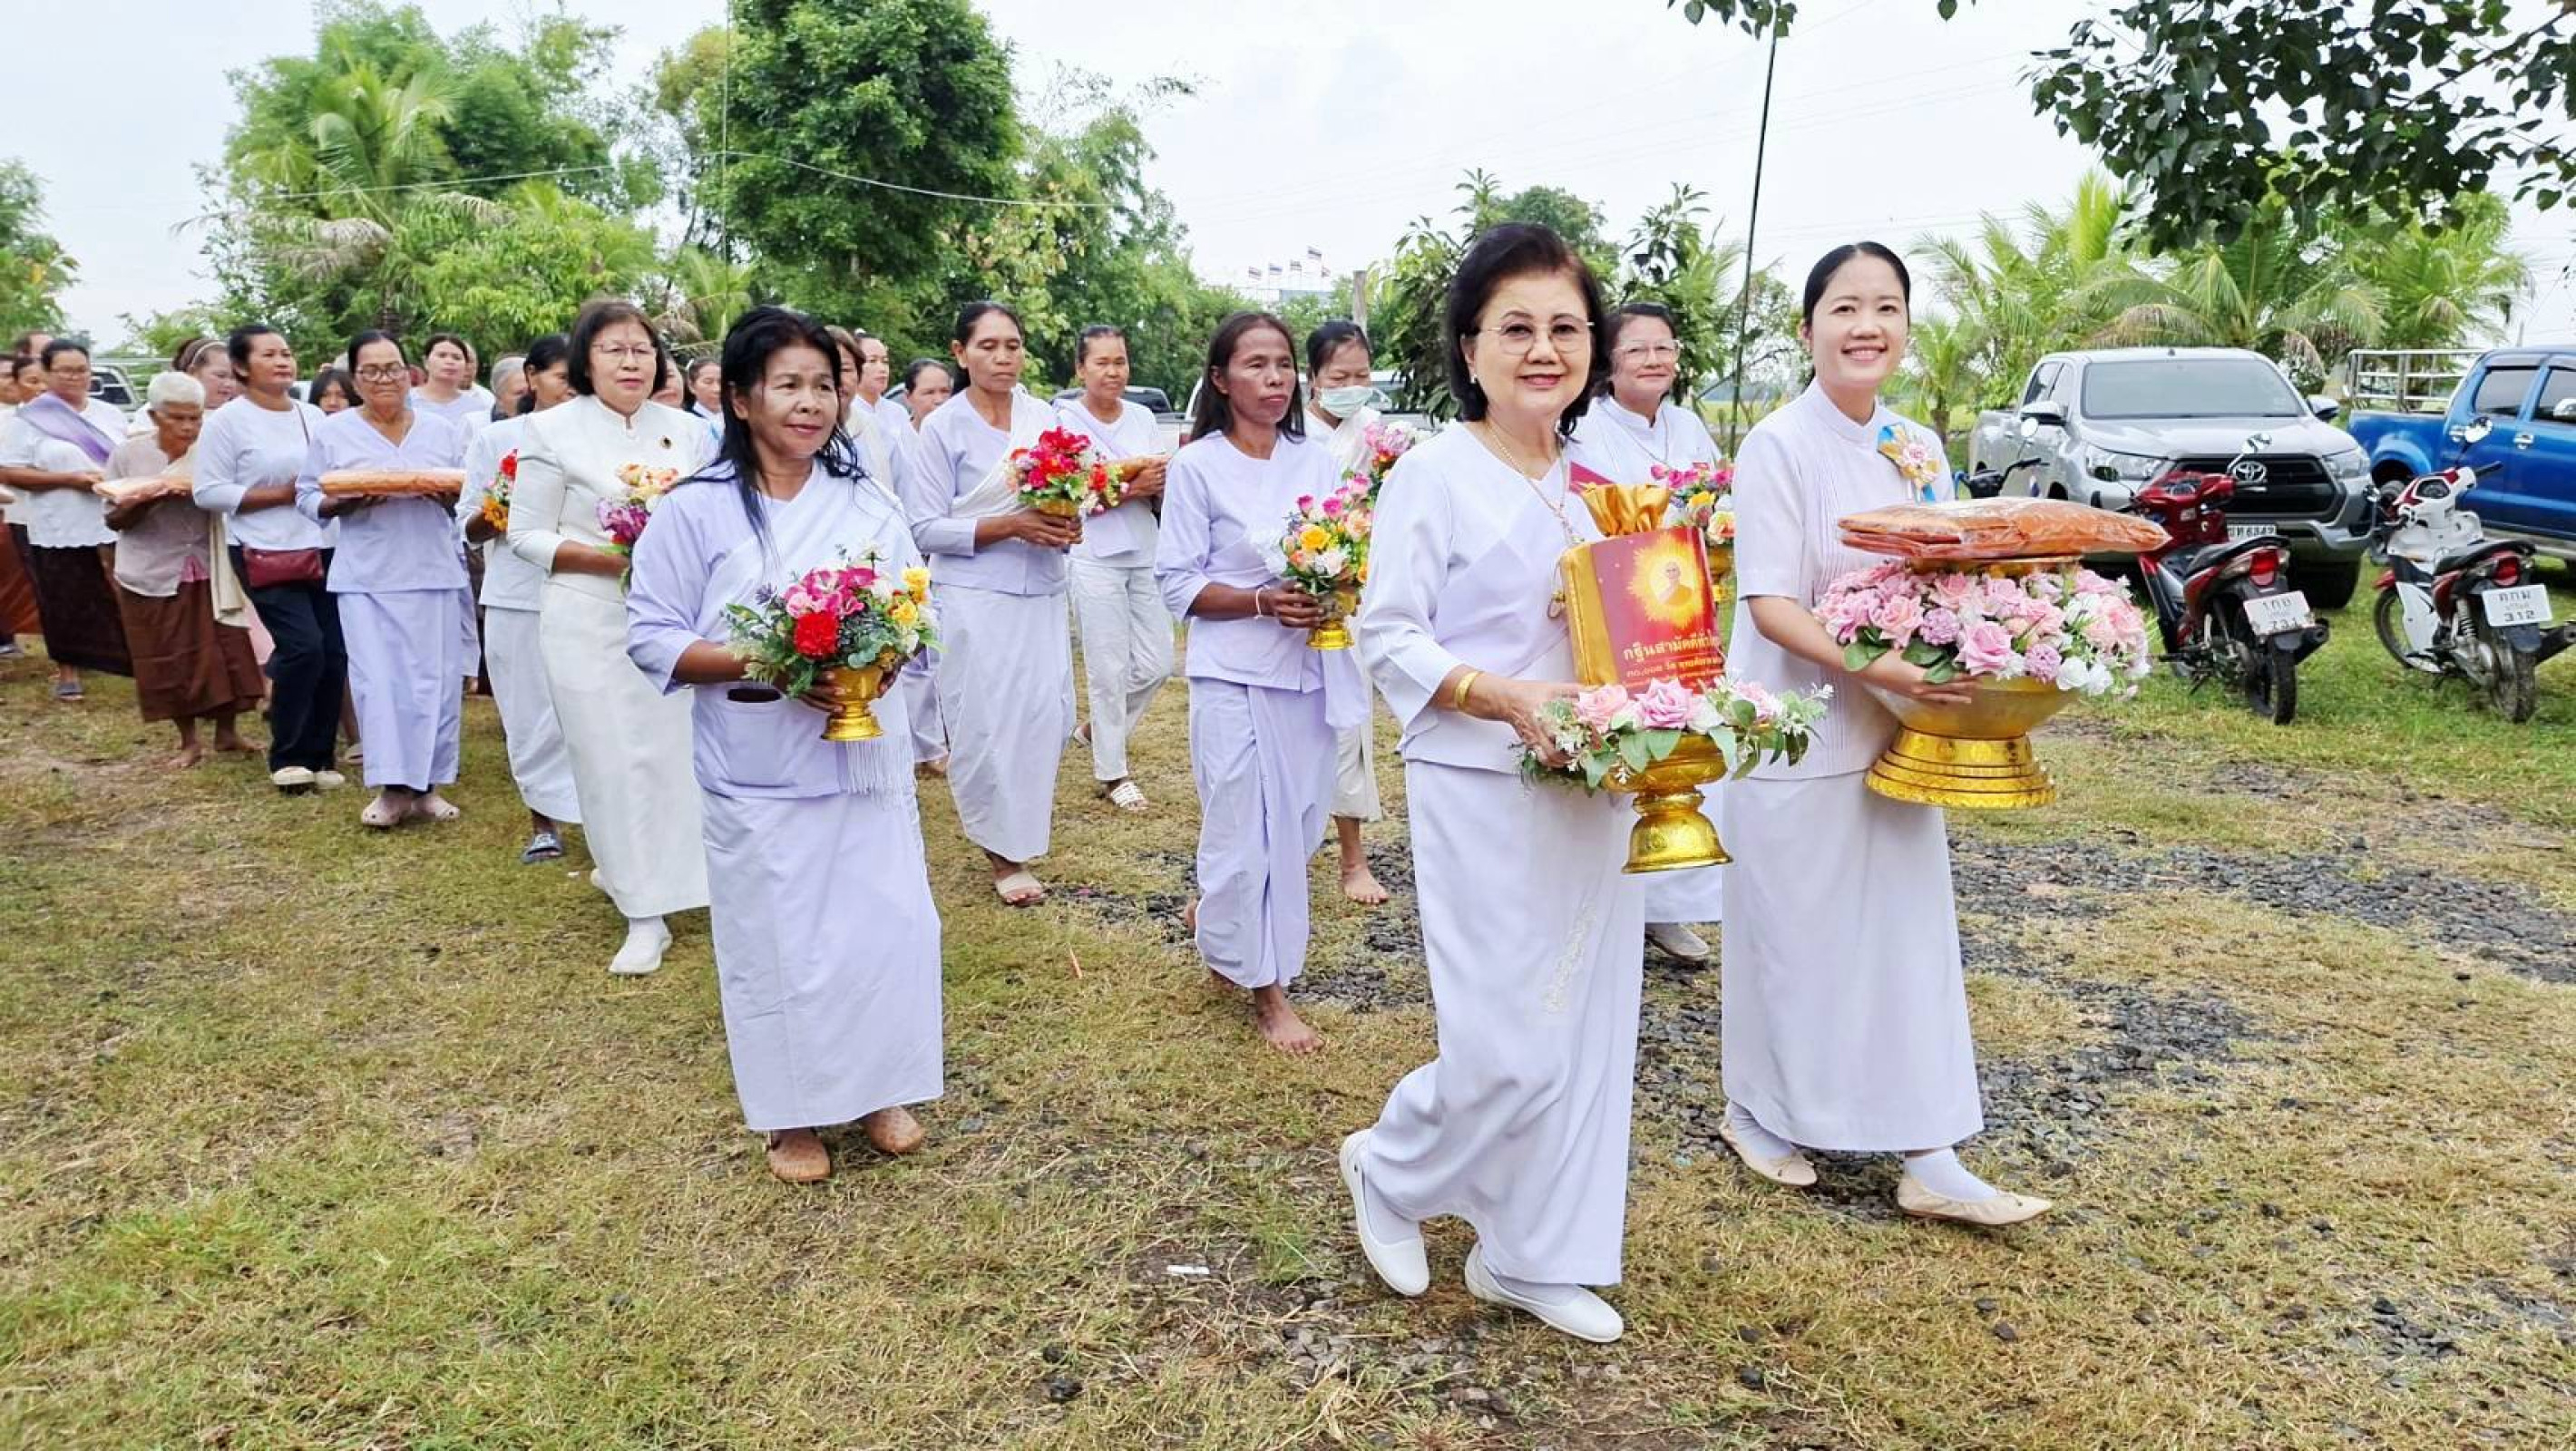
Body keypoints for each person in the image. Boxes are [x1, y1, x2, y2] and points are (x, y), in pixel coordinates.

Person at [1344, 223, 1637, 1345]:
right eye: (1515, 327)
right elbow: (1388, 636)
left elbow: (1642, 634)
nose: (1543, 348)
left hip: (1596, 784)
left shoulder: (1605, 489)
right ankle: (1392, 1163)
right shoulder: (1432, 473)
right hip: (1475, 775)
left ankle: (1531, 1254)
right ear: (1469, 349)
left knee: (1583, 1025)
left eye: (1565, 327)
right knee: (1504, 1040)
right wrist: (1503, 694)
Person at [1720, 242, 2051, 1227]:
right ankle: (1763, 1112)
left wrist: (1993, 647)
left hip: (1904, 730)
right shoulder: (1775, 445)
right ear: (1806, 328)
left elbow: (1945, 577)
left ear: (1905, 325)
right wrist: (1878, 666)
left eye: (1885, 307)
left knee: (1905, 938)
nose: (1865, 326)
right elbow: (1772, 603)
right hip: (1794, 727)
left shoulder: (1915, 446)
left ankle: (1928, 1148)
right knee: (1792, 930)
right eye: (1843, 308)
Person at [626, 306, 942, 1183]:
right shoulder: (695, 511)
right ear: (739, 398)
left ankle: (880, 1085)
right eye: (788, 386)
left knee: (882, 923)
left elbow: (918, 608)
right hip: (757, 760)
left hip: (860, 752)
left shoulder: (866, 502)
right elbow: (651, 635)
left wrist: (879, 659)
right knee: (779, 937)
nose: (809, 404)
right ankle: (790, 1112)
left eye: (823, 387)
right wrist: (771, 657)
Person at [1156, 313, 1355, 1055]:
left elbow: (1346, 547)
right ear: (1220, 380)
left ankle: (1221, 917)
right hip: (1230, 669)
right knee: (1245, 827)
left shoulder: (1319, 460)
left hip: (1306, 666)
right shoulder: (1197, 466)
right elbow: (1176, 582)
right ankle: (1266, 989)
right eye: (1256, 366)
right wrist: (1260, 601)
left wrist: (1332, 589)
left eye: (1283, 366)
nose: (1274, 380)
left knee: (1300, 821)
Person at [508, 299, 712, 975]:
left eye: (642, 350)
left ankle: (686, 883)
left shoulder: (688, 431)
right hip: (589, 614)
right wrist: (619, 559)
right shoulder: (550, 430)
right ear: (584, 363)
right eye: (614, 350)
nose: (631, 362)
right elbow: (526, 533)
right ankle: (641, 912)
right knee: (609, 757)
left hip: (676, 618)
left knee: (675, 756)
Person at [901, 301, 1080, 907]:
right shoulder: (943, 427)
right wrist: (1009, 527)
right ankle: (1004, 854)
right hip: (975, 595)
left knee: (1046, 718)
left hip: (1043, 588)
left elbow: (1073, 490)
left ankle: (1024, 830)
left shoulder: (1045, 416)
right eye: (988, 346)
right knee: (986, 722)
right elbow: (923, 527)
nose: (1003, 358)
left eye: (1013, 345)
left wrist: (1067, 520)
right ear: (960, 353)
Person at [1567, 300, 1730, 965]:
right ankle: (1614, 902)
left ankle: (1671, 906)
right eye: (1638, 349)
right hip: (1625, 602)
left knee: (1690, 734)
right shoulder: (1587, 432)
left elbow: (1715, 496)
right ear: (1610, 360)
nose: (1656, 360)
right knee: (1634, 736)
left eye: (1665, 347)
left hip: (1690, 600)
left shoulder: (1689, 423)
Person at [298, 331, 473, 829]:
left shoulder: (441, 431)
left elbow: (468, 495)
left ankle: (428, 786)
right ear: (355, 379)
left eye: (393, 368)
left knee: (434, 683)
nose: (384, 379)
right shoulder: (335, 433)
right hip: (366, 576)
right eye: (371, 371)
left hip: (433, 569)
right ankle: (392, 788)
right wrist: (341, 503)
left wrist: (446, 498)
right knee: (380, 682)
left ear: (409, 373)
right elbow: (308, 496)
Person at [195, 325, 344, 793]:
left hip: (323, 543)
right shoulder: (227, 421)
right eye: (269, 355)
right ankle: (288, 755)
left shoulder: (313, 416)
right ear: (241, 367)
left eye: (286, 352)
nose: (283, 361)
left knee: (334, 652)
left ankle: (321, 756)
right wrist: (282, 494)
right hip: (263, 550)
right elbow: (208, 491)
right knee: (303, 647)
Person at [101, 371, 261, 764]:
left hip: (211, 565)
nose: (188, 426)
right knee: (168, 655)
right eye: (177, 418)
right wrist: (149, 495)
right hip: (154, 569)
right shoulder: (129, 454)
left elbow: (232, 496)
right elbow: (112, 518)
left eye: (195, 417)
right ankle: (188, 741)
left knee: (226, 651)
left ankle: (228, 733)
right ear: (155, 416)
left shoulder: (212, 448)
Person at [461, 334, 580, 862]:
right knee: (530, 710)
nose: (574, 386)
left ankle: (604, 817)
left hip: (589, 591)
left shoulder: (602, 439)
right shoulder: (498, 439)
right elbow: (467, 526)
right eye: (562, 375)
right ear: (532, 377)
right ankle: (544, 822)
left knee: (587, 710)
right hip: (517, 593)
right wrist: (505, 506)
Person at [1056, 325, 1171, 813]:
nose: (1112, 371)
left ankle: (1093, 731)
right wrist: (1129, 486)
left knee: (1159, 660)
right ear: (1081, 368)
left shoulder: (1143, 417)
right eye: (1101, 362)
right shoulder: (1064, 421)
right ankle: (1113, 773)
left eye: (1119, 361)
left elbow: (1162, 477)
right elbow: (1068, 493)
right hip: (1092, 554)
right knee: (1108, 668)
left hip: (1144, 548)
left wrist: (1145, 484)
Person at [1302, 321, 1393, 905]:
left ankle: (1352, 858)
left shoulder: (1380, 435)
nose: (1352, 387)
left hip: (1354, 594)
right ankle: (1286, 845)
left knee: (1349, 722)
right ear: (1313, 378)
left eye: (1362, 376)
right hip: (1295, 592)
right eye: (1340, 377)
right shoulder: (1288, 432)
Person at [0, 340, 134, 700]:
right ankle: (68, 668)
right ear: (46, 373)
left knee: (121, 587)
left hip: (113, 515)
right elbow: (9, 471)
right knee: (63, 594)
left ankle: (128, 657)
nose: (75, 377)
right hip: (59, 519)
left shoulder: (109, 414)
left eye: (82, 370)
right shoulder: (29, 419)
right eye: (65, 370)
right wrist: (68, 480)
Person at [0, 355, 44, 654]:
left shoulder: (38, 417)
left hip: (39, 509)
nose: (8, 382)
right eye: (3, 376)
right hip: (11, 510)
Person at [411, 334, 493, 428]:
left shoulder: (477, 407)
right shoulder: (407, 401)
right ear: (426, 362)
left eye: (457, 358)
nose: (449, 361)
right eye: (442, 355)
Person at [851, 330, 912, 438]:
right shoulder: (845, 413)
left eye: (885, 361)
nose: (882, 368)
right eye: (872, 361)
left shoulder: (898, 412)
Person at [174, 336, 240, 412]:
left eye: (234, 378)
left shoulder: (241, 414)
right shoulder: (169, 414)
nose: (228, 384)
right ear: (193, 372)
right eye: (221, 376)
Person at [902, 358, 953, 430]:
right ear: (908, 397)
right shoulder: (895, 439)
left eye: (945, 391)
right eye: (929, 392)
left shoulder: (963, 435)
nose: (939, 400)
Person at [487, 355, 528, 424]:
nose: (529, 398)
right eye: (520, 393)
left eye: (533, 391)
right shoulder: (478, 426)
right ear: (499, 399)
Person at [684, 356, 723, 420]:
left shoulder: (736, 418)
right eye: (708, 382)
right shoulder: (685, 420)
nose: (717, 389)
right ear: (691, 386)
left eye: (721, 382)